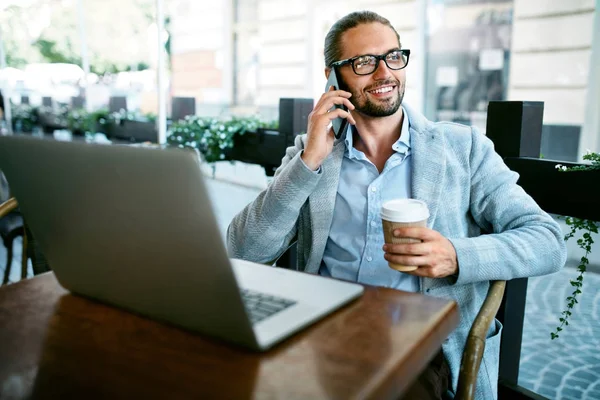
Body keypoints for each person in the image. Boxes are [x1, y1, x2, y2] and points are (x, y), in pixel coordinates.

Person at [227, 11, 566, 400]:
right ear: (332, 77)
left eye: (394, 57)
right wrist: (307, 162)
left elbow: (547, 241)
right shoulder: (313, 154)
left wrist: (457, 256)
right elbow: (244, 251)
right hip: (323, 332)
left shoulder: (462, 149)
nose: (385, 73)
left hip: (423, 344)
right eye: (364, 62)